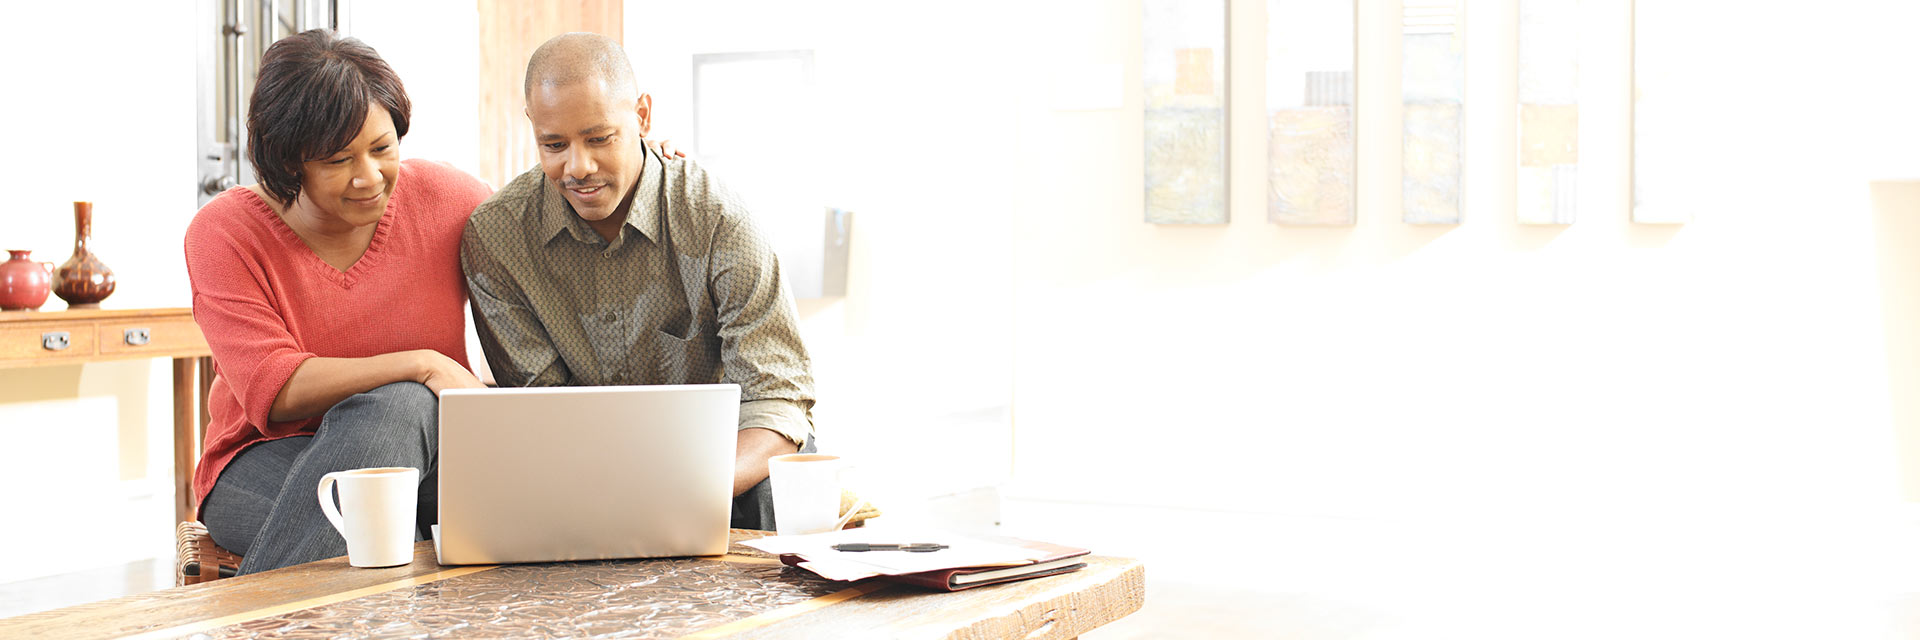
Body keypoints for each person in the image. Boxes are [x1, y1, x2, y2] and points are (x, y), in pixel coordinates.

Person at [461, 32, 816, 530]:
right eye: (554, 144)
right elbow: (540, 413)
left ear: (642, 117)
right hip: (582, 472)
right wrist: (625, 493)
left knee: (779, 483)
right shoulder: (497, 237)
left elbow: (776, 400)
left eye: (599, 138)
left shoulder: (716, 218)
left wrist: (684, 490)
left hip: (726, 465)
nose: (577, 168)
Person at [184, 29, 489, 574]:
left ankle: (261, 627)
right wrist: (419, 366)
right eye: (337, 160)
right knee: (404, 429)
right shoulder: (225, 233)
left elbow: (548, 221)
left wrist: (646, 165)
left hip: (431, 459)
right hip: (262, 459)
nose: (369, 178)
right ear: (287, 161)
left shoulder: (450, 200)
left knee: (399, 506)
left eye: (383, 148)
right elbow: (273, 389)